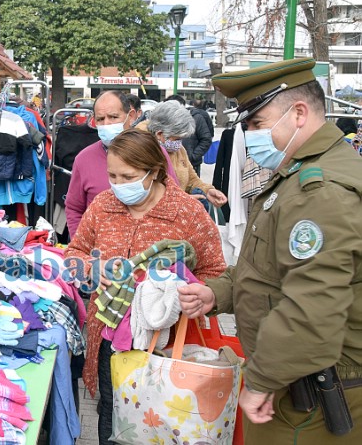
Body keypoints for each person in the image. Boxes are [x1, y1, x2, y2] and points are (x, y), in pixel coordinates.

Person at [178, 57, 362, 443]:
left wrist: (260, 381)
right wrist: (218, 292)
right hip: (294, 379)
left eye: (257, 125)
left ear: (298, 113)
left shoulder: (320, 189)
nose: (250, 137)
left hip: (312, 393)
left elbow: (312, 304)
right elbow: (268, 269)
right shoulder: (297, 175)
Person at [65, 128, 226, 445]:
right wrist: (92, 268)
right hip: (111, 342)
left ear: (154, 171)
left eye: (128, 176)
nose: (118, 185)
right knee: (113, 423)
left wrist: (195, 294)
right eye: (112, 176)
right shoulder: (103, 205)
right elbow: (74, 253)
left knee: (164, 425)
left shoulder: (187, 212)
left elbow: (216, 272)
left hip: (167, 350)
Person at [65, 90, 177, 238]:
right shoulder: (83, 159)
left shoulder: (155, 152)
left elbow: (174, 198)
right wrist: (82, 246)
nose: (106, 124)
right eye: (100, 119)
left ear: (130, 116)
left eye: (113, 117)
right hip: (101, 253)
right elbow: (74, 208)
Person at [148, 100, 228, 208]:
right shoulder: (144, 152)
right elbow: (147, 194)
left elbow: (192, 179)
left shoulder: (179, 150)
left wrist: (208, 190)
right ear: (160, 134)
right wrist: (183, 199)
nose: (179, 143)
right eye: (177, 138)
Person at [165, 94, 214, 175]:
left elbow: (206, 139)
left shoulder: (196, 118)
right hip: (169, 165)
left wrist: (193, 156)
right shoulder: (166, 119)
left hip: (191, 165)